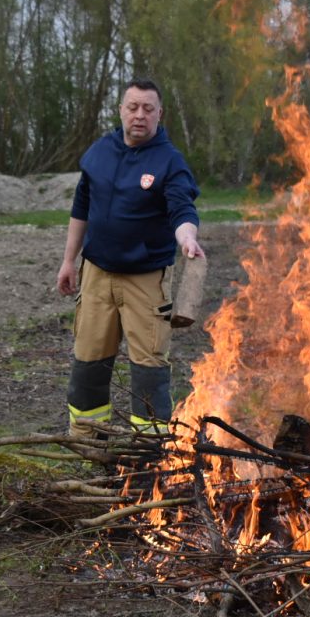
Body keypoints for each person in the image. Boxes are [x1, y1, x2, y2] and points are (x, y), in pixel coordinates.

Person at [56, 78, 205, 437]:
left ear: (159, 114)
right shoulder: (99, 152)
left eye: (148, 109)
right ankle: (87, 444)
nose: (140, 115)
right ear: (121, 110)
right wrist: (68, 261)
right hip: (96, 276)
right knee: (88, 361)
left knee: (149, 368)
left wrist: (188, 238)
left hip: (145, 280)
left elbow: (181, 208)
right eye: (133, 107)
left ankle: (150, 455)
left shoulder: (169, 161)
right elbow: (82, 207)